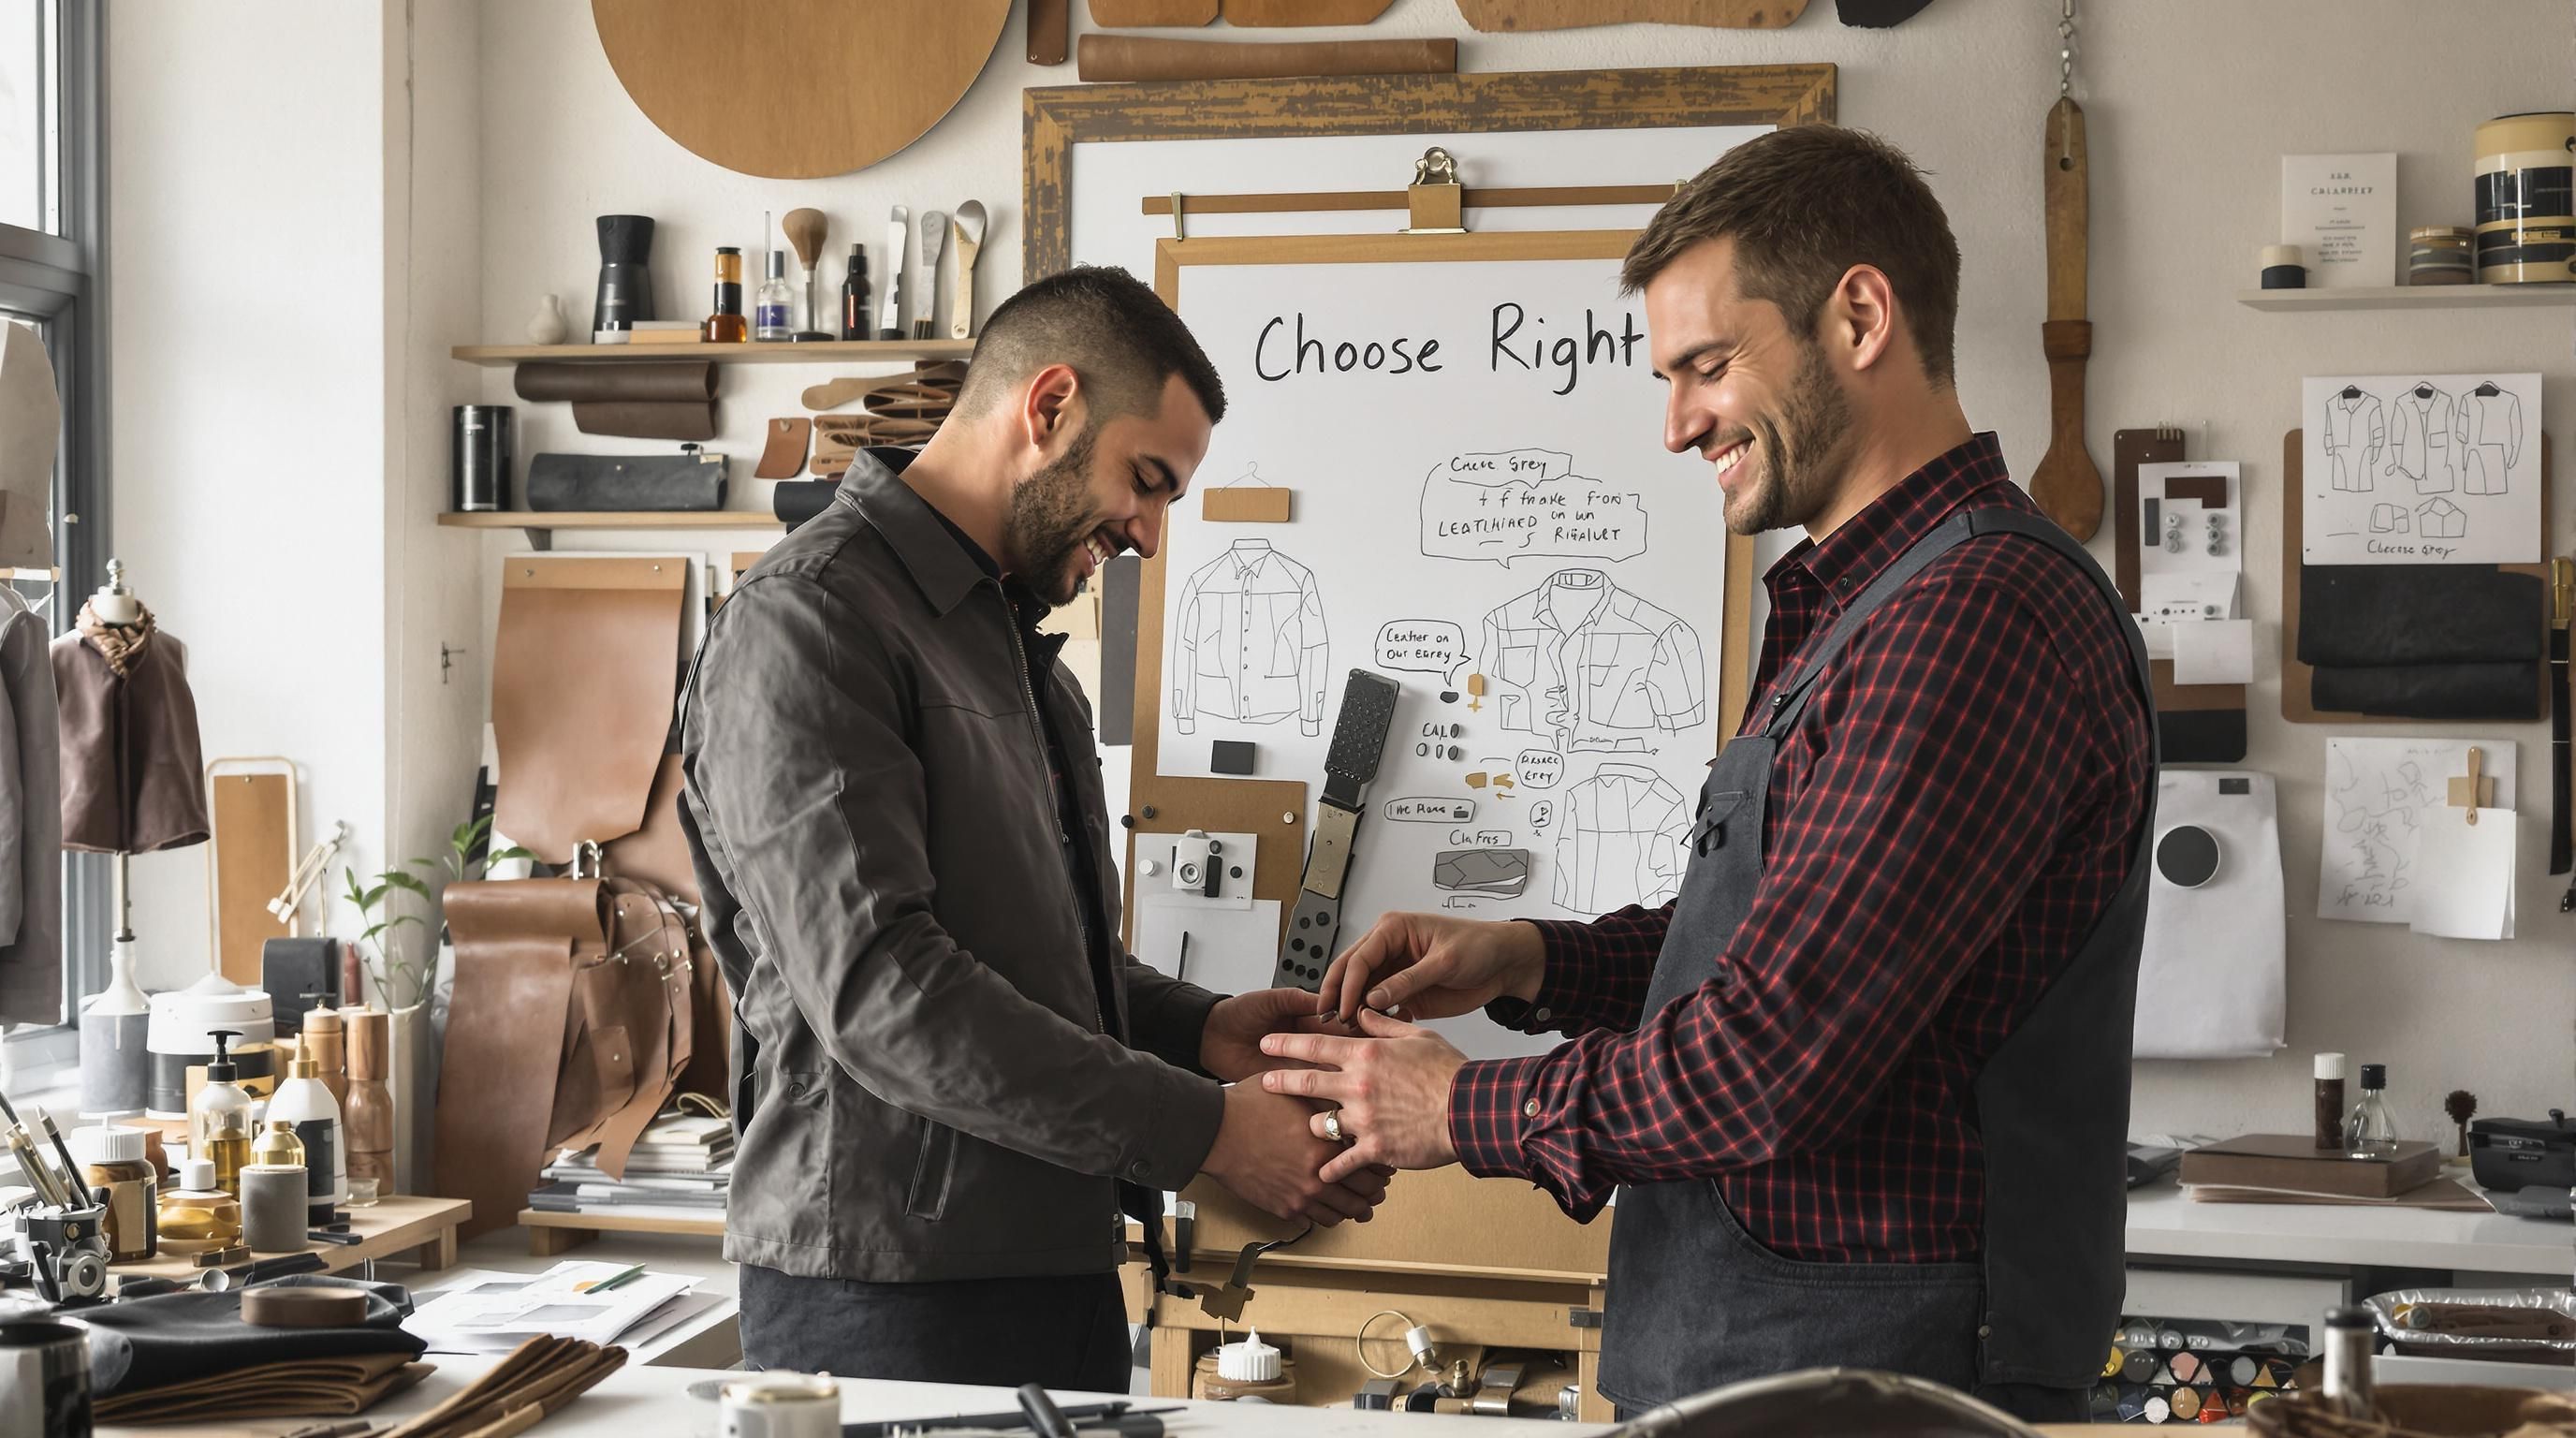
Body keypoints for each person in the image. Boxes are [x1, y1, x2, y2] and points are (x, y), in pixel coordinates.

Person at [1257, 125, 2157, 1422]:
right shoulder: (1870, 605)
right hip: (1774, 1350)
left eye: (1707, 367)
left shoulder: (1973, 616)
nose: (1677, 424)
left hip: (1874, 1373)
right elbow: (1780, 943)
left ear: (1858, 316)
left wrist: (1463, 1109)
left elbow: (1773, 1053)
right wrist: (1533, 959)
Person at [679, 265, 1385, 1387]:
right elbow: (883, 991)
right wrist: (1209, 1130)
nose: (1152, 535)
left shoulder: (1021, 661)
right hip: (885, 1290)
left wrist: (1203, 1031)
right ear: (1048, 405)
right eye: (1145, 481)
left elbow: (1043, 970)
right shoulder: (811, 622)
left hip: (1052, 1265)